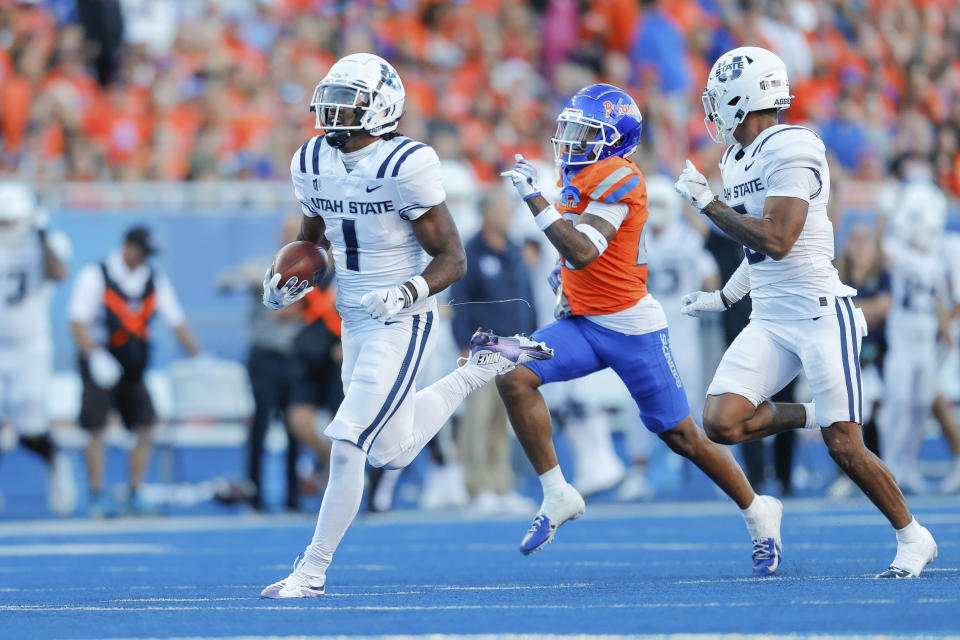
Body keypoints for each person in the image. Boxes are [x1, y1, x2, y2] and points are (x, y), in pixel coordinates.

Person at [258, 53, 553, 599]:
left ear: (381, 108)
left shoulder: (406, 164)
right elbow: (313, 242)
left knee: (348, 440)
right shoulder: (312, 159)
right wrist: (287, 281)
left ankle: (311, 571)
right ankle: (483, 365)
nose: (334, 111)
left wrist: (406, 292)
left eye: (348, 102)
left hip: (401, 318)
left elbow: (452, 258)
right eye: (333, 98)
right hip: (353, 318)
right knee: (392, 452)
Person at [674, 46, 937, 577]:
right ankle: (814, 415)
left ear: (744, 100)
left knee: (846, 448)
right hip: (769, 317)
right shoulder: (734, 158)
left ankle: (914, 536)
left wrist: (708, 206)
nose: (712, 109)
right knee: (721, 421)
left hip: (819, 314)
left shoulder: (793, 145)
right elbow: (755, 248)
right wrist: (726, 296)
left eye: (719, 98)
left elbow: (778, 238)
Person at [498, 83, 782, 575]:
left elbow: (585, 248)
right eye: (571, 127)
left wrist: (536, 202)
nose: (571, 139)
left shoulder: (618, 176)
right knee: (512, 372)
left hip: (632, 329)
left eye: (586, 132)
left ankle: (759, 512)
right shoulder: (585, 171)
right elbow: (582, 255)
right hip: (584, 324)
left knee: (684, 436)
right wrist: (563, 277)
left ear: (615, 140)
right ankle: (557, 492)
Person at [68, 225, 201, 517]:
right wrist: (95, 356)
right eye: (141, 252)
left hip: (133, 366)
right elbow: (78, 322)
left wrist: (198, 355)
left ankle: (135, 491)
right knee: (96, 428)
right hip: (100, 362)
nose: (144, 259)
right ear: (127, 247)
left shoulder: (153, 279)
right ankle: (96, 494)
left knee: (145, 426)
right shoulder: (96, 275)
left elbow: (175, 319)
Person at [450, 187, 539, 514]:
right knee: (478, 418)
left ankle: (502, 485)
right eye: (503, 209)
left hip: (514, 347)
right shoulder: (471, 252)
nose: (509, 215)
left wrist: (533, 339)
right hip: (482, 347)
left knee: (504, 419)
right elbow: (459, 302)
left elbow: (528, 297)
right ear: (487, 213)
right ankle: (478, 486)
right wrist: (462, 342)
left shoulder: (514, 251)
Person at [0, 182, 76, 515]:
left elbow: (58, 272)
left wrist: (41, 233)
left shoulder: (47, 243)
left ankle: (56, 460)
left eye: (10, 221)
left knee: (29, 432)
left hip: (30, 349)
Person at [880, 181, 950, 494]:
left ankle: (907, 464)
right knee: (899, 402)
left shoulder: (935, 257)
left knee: (921, 405)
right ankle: (888, 466)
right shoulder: (894, 248)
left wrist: (945, 330)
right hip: (902, 339)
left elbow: (939, 297)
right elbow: (884, 251)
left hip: (926, 340)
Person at [828, 224, 890, 498]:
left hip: (878, 357)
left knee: (870, 414)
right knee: (844, 416)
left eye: (866, 241)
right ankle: (850, 472)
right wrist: (867, 308)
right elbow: (833, 309)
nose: (860, 246)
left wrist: (854, 310)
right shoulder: (839, 275)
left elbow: (884, 309)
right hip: (844, 353)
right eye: (855, 240)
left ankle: (877, 469)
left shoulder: (882, 275)